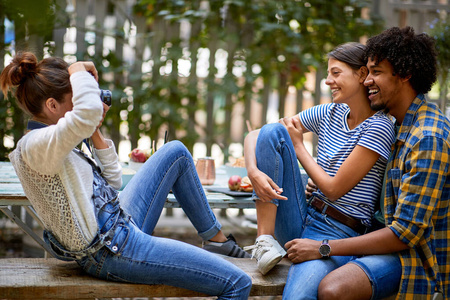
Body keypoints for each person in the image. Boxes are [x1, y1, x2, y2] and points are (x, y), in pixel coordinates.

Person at [0, 52, 252, 299]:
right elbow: (85, 115)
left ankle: (217, 241)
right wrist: (77, 69)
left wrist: (94, 131)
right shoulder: (35, 146)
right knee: (237, 283)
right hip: (111, 251)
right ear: (52, 105)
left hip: (117, 226)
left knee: (175, 152)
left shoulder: (52, 143)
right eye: (75, 100)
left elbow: (114, 182)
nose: (85, 106)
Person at [293, 27, 450, 300]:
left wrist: (324, 247)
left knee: (333, 288)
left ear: (404, 75)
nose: (367, 81)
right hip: (377, 239)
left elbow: (404, 234)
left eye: (376, 72)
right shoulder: (399, 125)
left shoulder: (427, 138)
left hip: (418, 258)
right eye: (366, 72)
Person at [243, 42, 395, 298]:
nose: (327, 81)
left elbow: (334, 190)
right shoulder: (330, 112)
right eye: (328, 74)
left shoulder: (379, 127)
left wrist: (299, 147)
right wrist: (252, 171)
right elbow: (257, 135)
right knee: (273, 131)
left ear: (360, 75)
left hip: (337, 232)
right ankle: (265, 240)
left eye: (335, 73)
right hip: (302, 215)